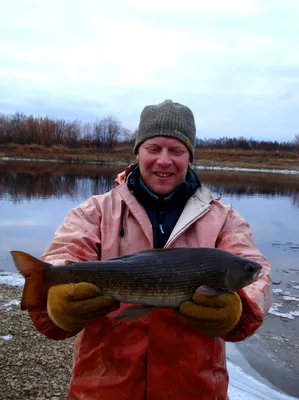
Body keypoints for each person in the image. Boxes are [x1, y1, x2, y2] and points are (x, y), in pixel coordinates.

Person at [28, 99, 272, 400]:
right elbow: (64, 253)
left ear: (190, 156)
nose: (164, 161)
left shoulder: (225, 220)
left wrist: (239, 310)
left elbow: (257, 274)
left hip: (195, 390)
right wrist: (56, 303)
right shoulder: (95, 212)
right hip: (101, 389)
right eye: (154, 148)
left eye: (177, 150)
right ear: (138, 152)